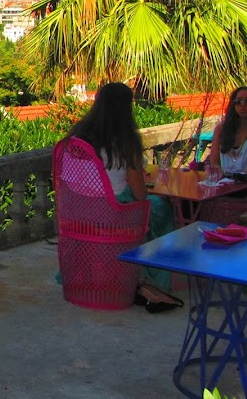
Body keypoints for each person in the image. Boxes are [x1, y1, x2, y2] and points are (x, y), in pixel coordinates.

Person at [65, 82, 175, 289]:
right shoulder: (125, 143)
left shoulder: (76, 138)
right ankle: (154, 278)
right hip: (113, 214)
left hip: (78, 213)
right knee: (163, 208)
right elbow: (140, 195)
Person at [208, 86, 247, 174]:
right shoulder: (220, 129)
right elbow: (214, 162)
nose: (243, 105)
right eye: (238, 101)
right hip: (224, 180)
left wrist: (242, 175)